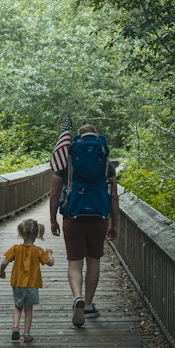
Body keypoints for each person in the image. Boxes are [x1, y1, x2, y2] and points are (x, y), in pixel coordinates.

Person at [49, 123, 119, 327]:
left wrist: (53, 219)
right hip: (99, 218)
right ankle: (88, 304)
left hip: (73, 217)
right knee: (94, 261)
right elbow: (113, 196)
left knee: (74, 263)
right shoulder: (105, 161)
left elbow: (54, 193)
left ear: (77, 138)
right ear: (96, 136)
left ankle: (77, 296)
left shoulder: (67, 160)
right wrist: (115, 224)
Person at [0, 218, 55, 343]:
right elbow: (50, 263)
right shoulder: (38, 251)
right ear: (36, 235)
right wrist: (50, 253)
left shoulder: (15, 249)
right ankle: (26, 334)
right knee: (28, 309)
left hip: (17, 283)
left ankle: (15, 327)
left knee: (18, 306)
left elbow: (4, 263)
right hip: (32, 285)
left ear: (21, 234)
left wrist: (2, 271)